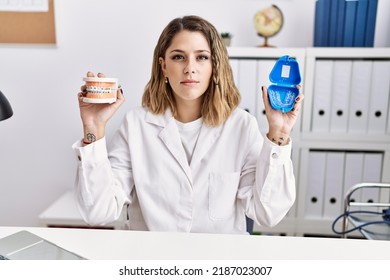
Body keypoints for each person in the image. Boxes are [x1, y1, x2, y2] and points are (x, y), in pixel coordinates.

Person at [73, 15, 304, 234]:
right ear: (163, 66)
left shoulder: (241, 127)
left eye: (201, 57)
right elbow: (98, 212)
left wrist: (279, 134)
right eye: (178, 57)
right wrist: (93, 128)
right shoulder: (136, 125)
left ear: (214, 65)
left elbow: (268, 213)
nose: (190, 68)